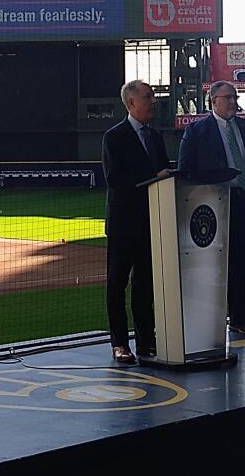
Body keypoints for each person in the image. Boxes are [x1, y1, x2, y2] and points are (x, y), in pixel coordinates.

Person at [177, 80, 245, 336]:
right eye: (228, 97)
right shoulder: (197, 131)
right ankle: (219, 320)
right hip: (215, 206)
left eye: (235, 97)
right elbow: (186, 171)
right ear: (214, 101)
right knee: (218, 266)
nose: (234, 101)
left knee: (241, 264)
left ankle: (238, 318)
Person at [102, 80, 170, 363]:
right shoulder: (114, 137)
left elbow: (165, 171)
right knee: (117, 285)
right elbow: (115, 179)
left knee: (145, 286)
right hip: (123, 225)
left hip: (152, 222)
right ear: (131, 103)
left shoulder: (155, 136)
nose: (153, 100)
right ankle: (119, 343)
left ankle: (145, 341)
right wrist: (154, 180)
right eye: (147, 96)